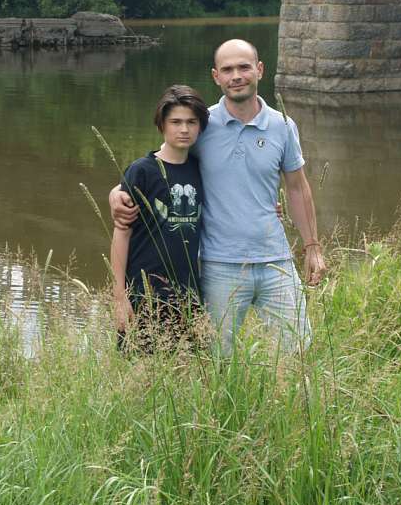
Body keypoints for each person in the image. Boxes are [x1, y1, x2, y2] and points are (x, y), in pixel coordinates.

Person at [111, 39, 325, 354]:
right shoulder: (201, 125)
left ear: (260, 70)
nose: (236, 75)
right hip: (218, 265)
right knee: (217, 360)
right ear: (216, 76)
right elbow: (161, 165)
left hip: (275, 261)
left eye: (243, 67)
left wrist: (312, 247)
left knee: (298, 352)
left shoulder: (282, 126)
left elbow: (297, 186)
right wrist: (116, 193)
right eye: (227, 69)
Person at [110, 84, 208, 352]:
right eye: (175, 122)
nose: (184, 129)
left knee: (188, 371)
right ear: (161, 125)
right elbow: (121, 232)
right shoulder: (143, 171)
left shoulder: (202, 170)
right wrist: (120, 296)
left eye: (191, 122)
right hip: (143, 292)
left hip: (188, 294)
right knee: (139, 369)